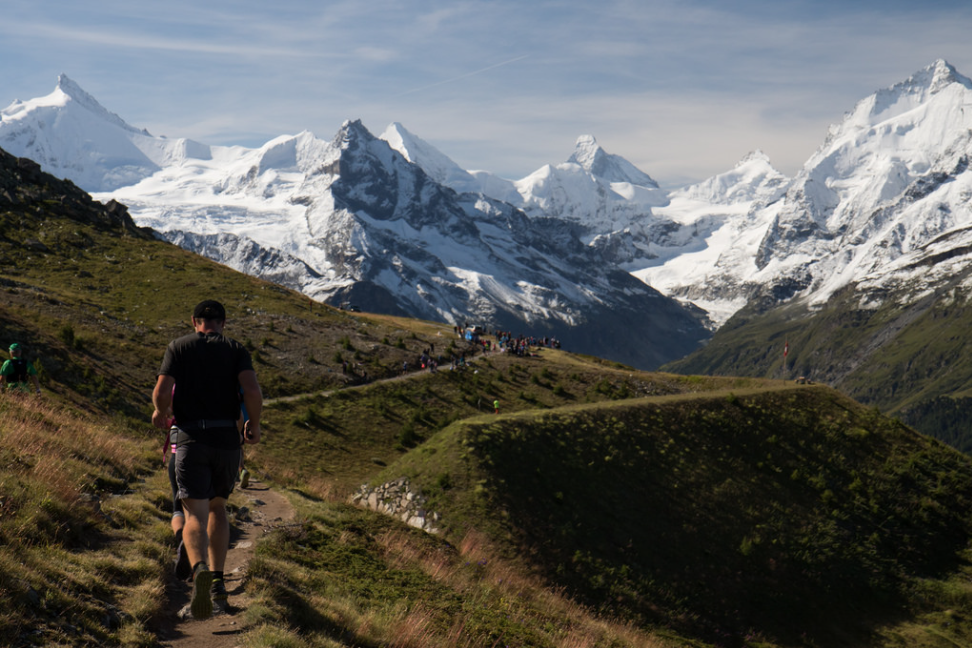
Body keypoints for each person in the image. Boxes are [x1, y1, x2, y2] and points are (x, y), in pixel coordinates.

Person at [152, 300, 262, 620]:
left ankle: (198, 568)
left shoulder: (179, 347)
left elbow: (162, 390)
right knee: (218, 508)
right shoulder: (236, 349)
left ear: (194, 321)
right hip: (227, 441)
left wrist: (161, 411)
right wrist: (253, 425)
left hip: (190, 439)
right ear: (223, 323)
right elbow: (252, 391)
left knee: (193, 513)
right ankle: (217, 584)